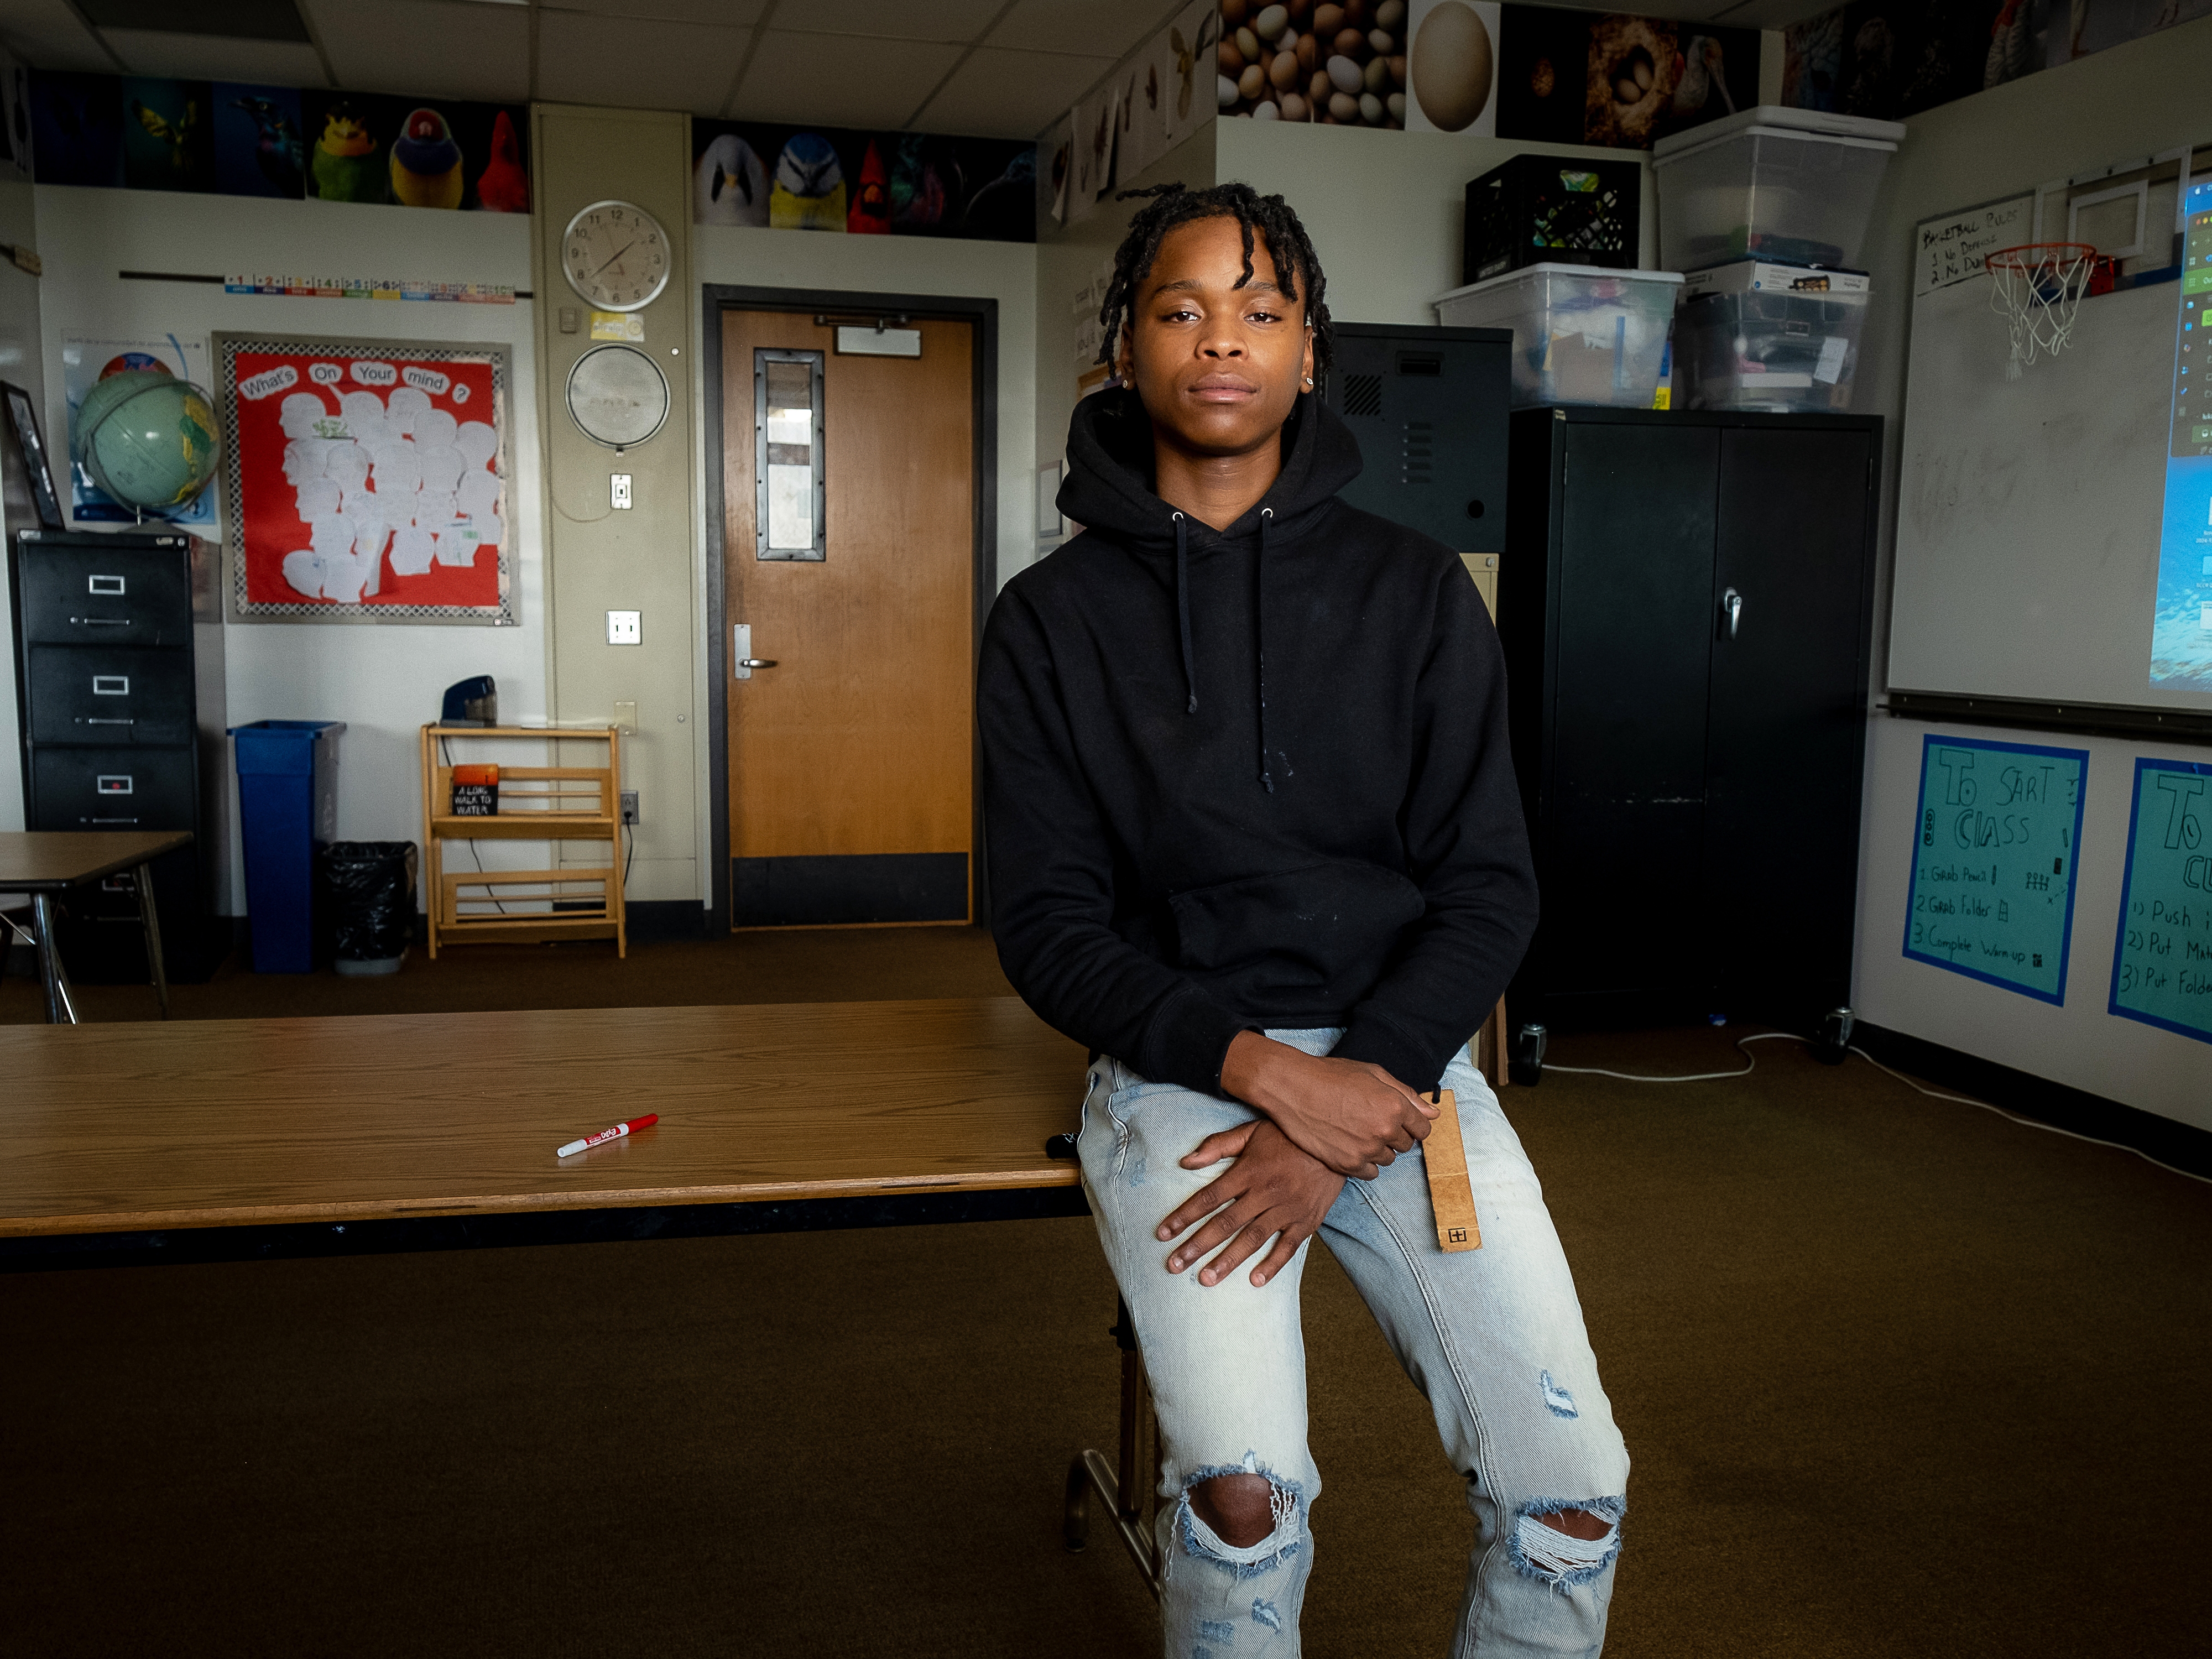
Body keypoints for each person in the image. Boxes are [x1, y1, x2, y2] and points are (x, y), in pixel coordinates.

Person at [978, 182, 1628, 1657]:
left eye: (1262, 310)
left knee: (1572, 1499)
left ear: (1311, 351)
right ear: (1127, 350)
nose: (1225, 342)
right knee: (1243, 1501)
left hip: (1406, 1068)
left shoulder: (1413, 594)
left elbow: (1489, 886)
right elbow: (1051, 929)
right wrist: (1279, 1084)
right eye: (1183, 308)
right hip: (1181, 1075)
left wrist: (1364, 1088)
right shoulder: (1048, 623)